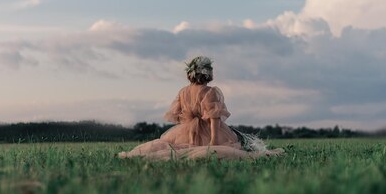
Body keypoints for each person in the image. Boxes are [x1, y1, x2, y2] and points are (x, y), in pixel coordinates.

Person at [118, 56, 282, 160]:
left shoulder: (183, 92)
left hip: (184, 132)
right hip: (206, 132)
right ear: (207, 74)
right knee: (224, 149)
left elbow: (177, 115)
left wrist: (190, 121)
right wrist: (214, 141)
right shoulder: (209, 92)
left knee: (172, 146)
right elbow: (214, 119)